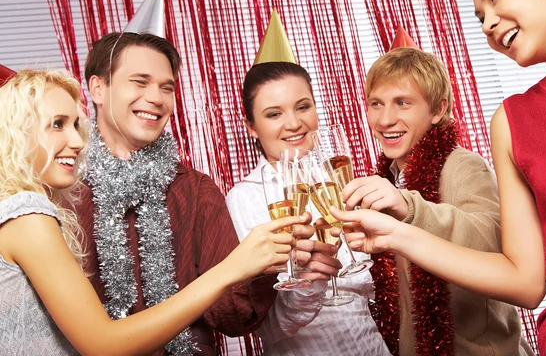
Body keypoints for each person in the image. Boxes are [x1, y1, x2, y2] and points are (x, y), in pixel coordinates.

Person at [334, 0, 546, 355]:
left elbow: (484, 233)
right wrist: (395, 233)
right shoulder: (513, 121)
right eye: (480, 15)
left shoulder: (459, 166)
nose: (488, 23)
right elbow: (524, 283)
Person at [0, 69, 303, 356]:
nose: (78, 142)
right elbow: (105, 345)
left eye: (76, 125)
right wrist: (232, 268)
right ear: (16, 132)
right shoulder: (27, 216)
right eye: (56, 124)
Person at [77, 31, 321, 355]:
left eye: (167, 87)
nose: (156, 98)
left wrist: (265, 266)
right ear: (98, 88)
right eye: (140, 82)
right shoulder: (65, 190)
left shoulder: (196, 191)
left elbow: (231, 317)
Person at [335, 47, 532, 356]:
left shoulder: (463, 166)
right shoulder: (388, 179)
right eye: (376, 103)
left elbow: (493, 239)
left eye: (402, 103)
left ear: (438, 110)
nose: (385, 119)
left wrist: (409, 207)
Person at [225, 59, 391, 355]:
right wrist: (308, 283)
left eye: (303, 107)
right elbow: (268, 328)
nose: (293, 123)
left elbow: (371, 288)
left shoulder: (337, 180)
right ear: (251, 126)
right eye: (274, 114)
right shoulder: (245, 198)